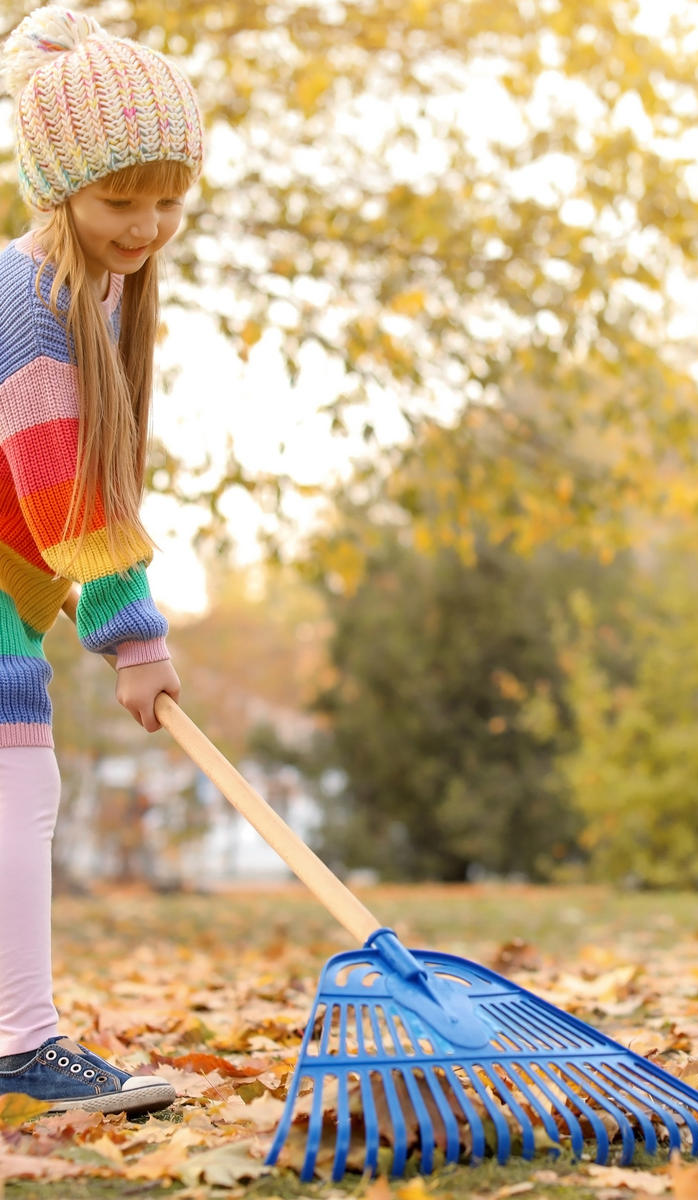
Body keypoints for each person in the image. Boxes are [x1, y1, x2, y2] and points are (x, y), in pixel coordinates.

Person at [0, 5, 204, 1115]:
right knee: (19, 783)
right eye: (121, 199)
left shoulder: (105, 292)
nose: (148, 223)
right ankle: (22, 1049)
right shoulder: (30, 308)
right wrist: (132, 633)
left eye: (168, 197)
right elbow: (69, 485)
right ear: (56, 189)